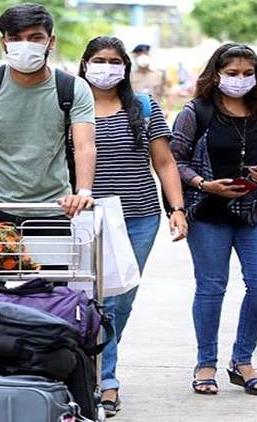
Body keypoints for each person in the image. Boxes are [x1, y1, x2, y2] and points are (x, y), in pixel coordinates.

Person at [170, 43, 257, 396]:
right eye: (232, 73)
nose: (240, 80)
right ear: (217, 75)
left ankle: (242, 360)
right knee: (211, 287)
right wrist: (204, 183)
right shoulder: (196, 112)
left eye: (247, 73)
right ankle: (205, 363)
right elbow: (173, 160)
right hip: (209, 212)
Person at [78, 35, 187, 417]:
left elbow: (165, 162)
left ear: (124, 66)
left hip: (138, 217)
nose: (106, 67)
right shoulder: (68, 105)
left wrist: (177, 208)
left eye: (113, 60)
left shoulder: (142, 105)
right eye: (98, 60)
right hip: (84, 219)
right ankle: (94, 375)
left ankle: (103, 374)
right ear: (85, 64)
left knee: (118, 300)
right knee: (85, 299)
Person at [0, 3, 96, 224]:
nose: (25, 45)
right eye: (15, 38)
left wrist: (83, 193)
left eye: (35, 38)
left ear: (51, 42)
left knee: (53, 260)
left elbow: (84, 146)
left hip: (51, 208)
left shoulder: (73, 88)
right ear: (4, 43)